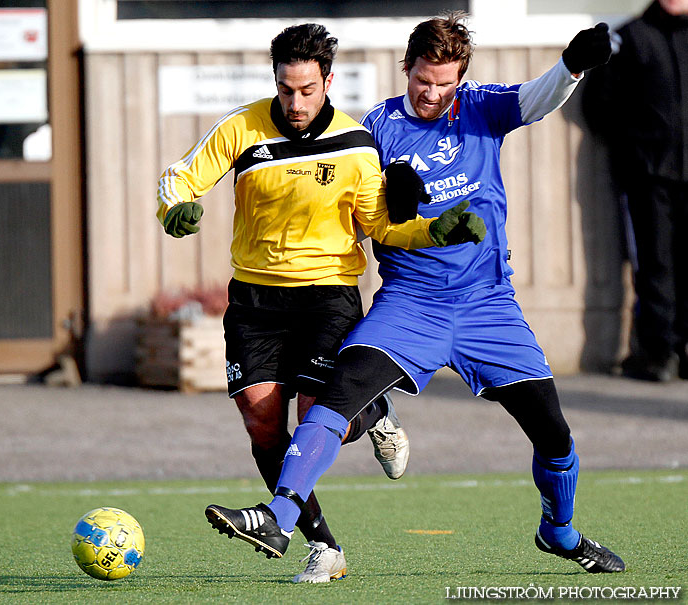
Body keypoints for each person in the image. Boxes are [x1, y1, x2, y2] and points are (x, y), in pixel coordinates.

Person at [204, 13, 627, 574]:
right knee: (333, 398)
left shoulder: (480, 109)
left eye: (444, 83)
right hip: (410, 303)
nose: (431, 94)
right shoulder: (374, 130)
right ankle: (279, 518)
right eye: (422, 80)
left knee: (553, 431)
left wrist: (573, 65)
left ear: (461, 78)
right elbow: (359, 218)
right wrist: (393, 203)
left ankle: (561, 532)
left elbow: (536, 99)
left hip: (487, 305)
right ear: (406, 68)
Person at [156, 23, 485, 583]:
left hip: (328, 295)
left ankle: (370, 411)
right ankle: (324, 547)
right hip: (255, 299)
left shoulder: (358, 145)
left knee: (316, 415)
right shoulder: (242, 127)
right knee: (263, 424)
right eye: (286, 89)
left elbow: (381, 225)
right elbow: (180, 179)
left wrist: (436, 231)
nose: (296, 101)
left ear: (327, 82)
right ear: (276, 82)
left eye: (308, 90)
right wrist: (175, 211)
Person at [583, 0, 688, 382]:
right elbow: (599, 105)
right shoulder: (629, 39)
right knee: (655, 264)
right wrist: (635, 151)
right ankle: (659, 353)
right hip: (649, 177)